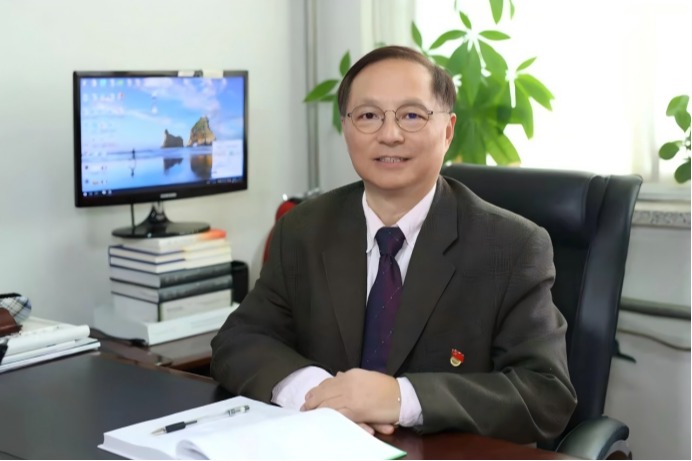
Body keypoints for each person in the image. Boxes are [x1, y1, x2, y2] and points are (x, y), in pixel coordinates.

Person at [210, 45, 577, 444]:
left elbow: (545, 395)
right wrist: (314, 392)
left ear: (448, 130)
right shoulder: (303, 229)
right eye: (368, 116)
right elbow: (239, 340)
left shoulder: (511, 247)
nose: (389, 135)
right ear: (346, 129)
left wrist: (401, 398)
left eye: (412, 115)